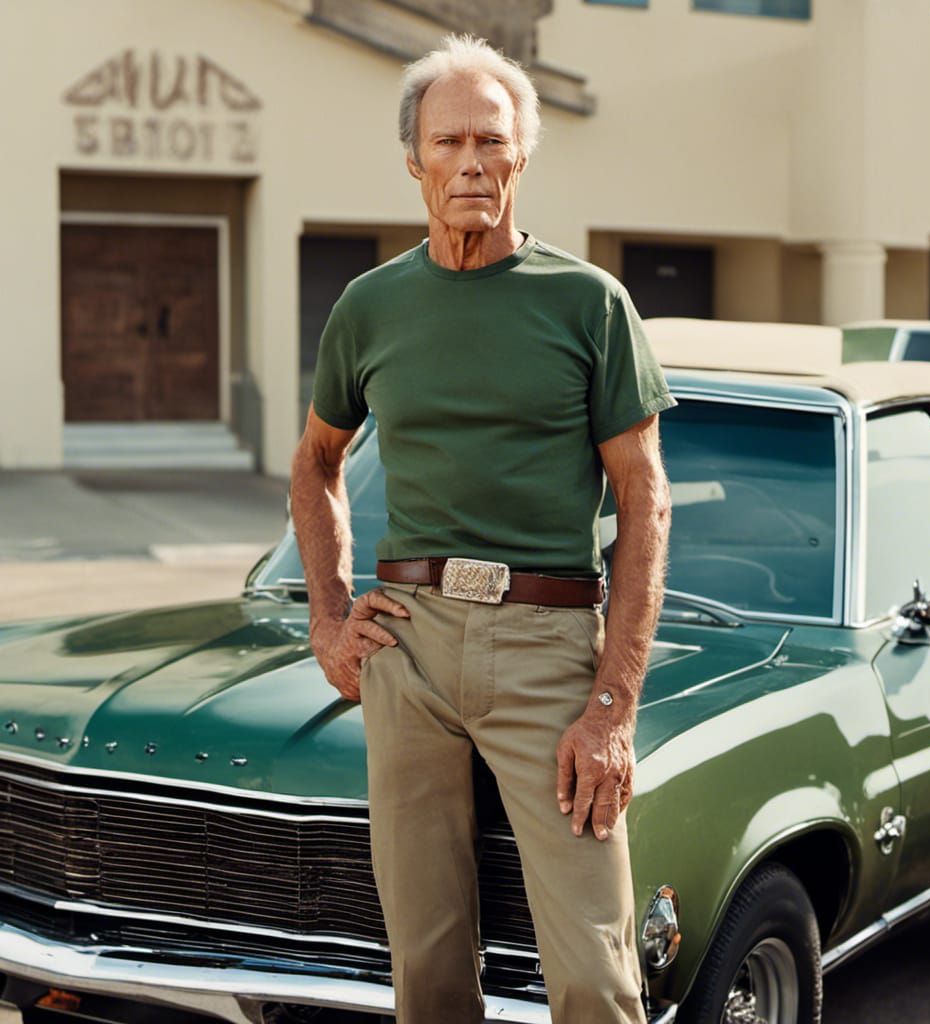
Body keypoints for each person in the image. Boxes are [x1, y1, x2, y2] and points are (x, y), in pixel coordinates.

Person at [290, 32, 675, 1024]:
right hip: (406, 645)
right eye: (448, 141)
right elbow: (316, 462)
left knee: (594, 973)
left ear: (521, 155)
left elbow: (644, 502)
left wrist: (612, 708)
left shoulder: (590, 304)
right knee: (424, 966)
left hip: (548, 645)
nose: (470, 161)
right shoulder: (369, 308)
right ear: (413, 160)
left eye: (490, 140)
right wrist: (328, 620)